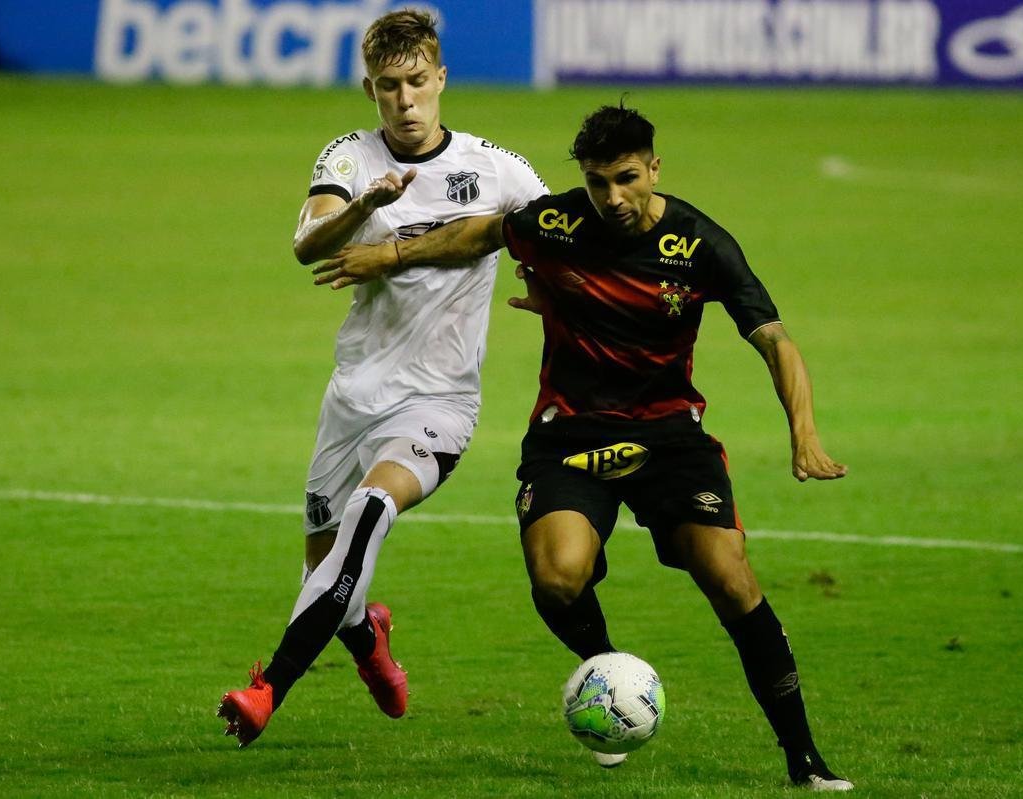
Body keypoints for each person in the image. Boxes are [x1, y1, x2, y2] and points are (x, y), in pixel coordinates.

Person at [313, 104, 854, 790]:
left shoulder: (699, 243)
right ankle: (609, 676)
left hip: (668, 435)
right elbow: (482, 232)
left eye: (627, 178)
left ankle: (804, 758)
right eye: (598, 182)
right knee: (557, 578)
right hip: (570, 434)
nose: (613, 197)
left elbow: (774, 339)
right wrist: (392, 253)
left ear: (654, 169)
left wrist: (804, 434)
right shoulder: (559, 221)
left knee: (729, 574)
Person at [216, 10, 548, 748]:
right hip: (354, 397)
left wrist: (551, 286)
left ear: (441, 78)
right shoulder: (350, 157)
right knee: (329, 576)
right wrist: (366, 206)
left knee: (370, 512)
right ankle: (368, 637)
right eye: (389, 86)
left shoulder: (497, 169)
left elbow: (561, 235)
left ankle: (267, 690)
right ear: (370, 89)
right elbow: (308, 242)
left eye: (418, 82)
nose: (405, 100)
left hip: (439, 402)